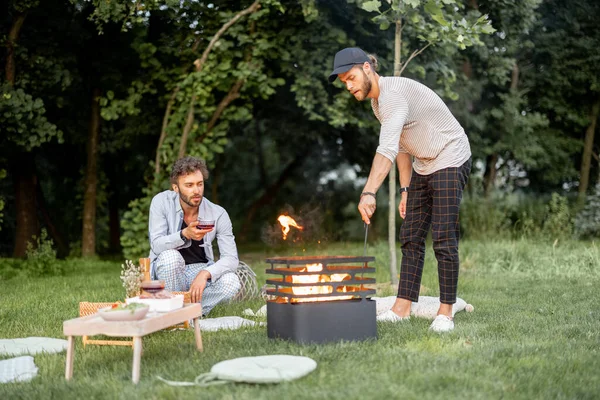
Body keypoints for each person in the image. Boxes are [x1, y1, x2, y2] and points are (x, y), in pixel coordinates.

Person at [329, 47, 472, 332]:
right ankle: (402, 307)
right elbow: (403, 147)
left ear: (367, 67)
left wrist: (368, 192)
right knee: (410, 236)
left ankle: (445, 313)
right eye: (344, 81)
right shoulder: (378, 104)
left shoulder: (392, 96)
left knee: (443, 236)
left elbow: (387, 148)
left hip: (450, 154)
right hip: (424, 162)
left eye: (351, 77)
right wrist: (406, 189)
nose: (348, 85)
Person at [148, 156, 241, 315]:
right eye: (189, 185)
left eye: (200, 184)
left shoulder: (218, 213)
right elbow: (156, 245)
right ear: (176, 188)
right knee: (172, 257)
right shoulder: (161, 202)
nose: (196, 190)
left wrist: (205, 274)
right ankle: (180, 313)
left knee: (232, 282)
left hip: (197, 270)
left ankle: (182, 312)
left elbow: (231, 258)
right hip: (167, 270)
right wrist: (184, 234)